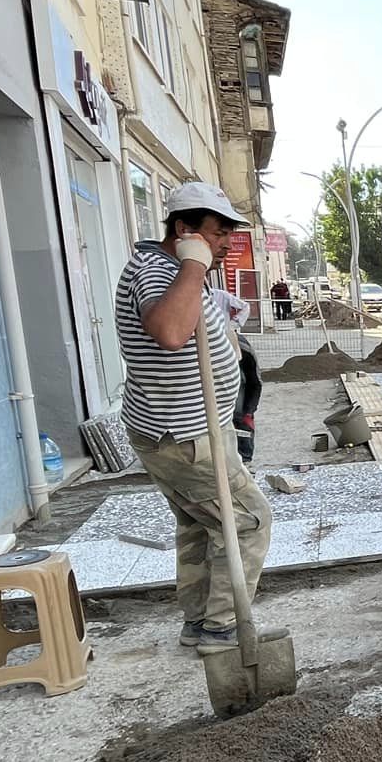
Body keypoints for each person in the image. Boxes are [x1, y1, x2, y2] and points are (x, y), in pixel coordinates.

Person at [114, 182, 274, 656]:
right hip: (184, 435)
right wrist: (193, 263)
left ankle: (201, 621)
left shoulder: (177, 271)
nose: (226, 242)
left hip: (191, 429)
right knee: (248, 521)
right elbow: (168, 331)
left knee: (200, 526)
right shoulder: (160, 270)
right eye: (218, 232)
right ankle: (224, 628)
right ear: (184, 229)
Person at [217, 286, 262, 464]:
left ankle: (245, 458)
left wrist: (233, 324)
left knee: (239, 414)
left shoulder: (218, 295)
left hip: (230, 350)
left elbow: (245, 306)